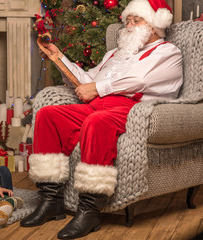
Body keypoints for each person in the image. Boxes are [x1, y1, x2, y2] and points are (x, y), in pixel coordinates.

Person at [20, 0, 183, 239]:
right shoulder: (115, 54)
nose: (129, 25)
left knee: (97, 122)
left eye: (136, 20)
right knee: (49, 115)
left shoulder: (167, 52)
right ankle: (51, 199)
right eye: (128, 20)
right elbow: (86, 80)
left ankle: (89, 210)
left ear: (155, 25)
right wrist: (60, 59)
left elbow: (140, 80)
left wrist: (97, 88)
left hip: (135, 109)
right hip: (97, 105)